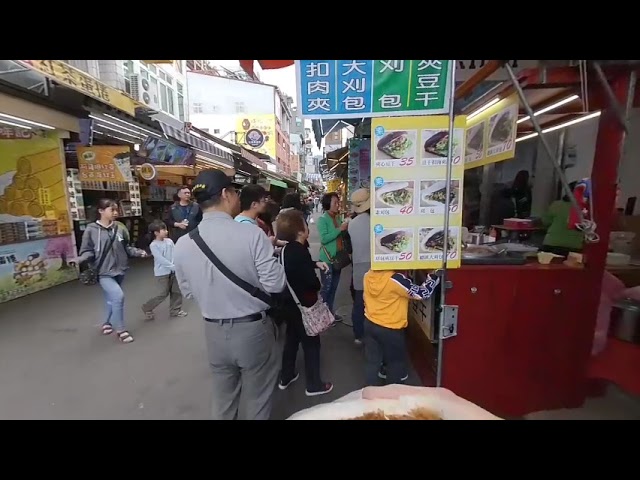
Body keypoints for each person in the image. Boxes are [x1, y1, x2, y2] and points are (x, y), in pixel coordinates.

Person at [173, 169, 286, 421]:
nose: (237, 197)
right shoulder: (251, 234)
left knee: (224, 401)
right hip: (253, 330)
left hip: (213, 332)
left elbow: (188, 292)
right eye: (235, 192)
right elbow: (276, 284)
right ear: (225, 194)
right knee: (258, 399)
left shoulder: (183, 243)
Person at [275, 209, 333, 396]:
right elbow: (312, 283)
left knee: (292, 339)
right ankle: (314, 385)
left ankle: (286, 375)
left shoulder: (287, 250)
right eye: (305, 224)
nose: (308, 226)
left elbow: (296, 267)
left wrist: (315, 263)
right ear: (300, 231)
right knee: (311, 343)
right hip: (303, 305)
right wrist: (318, 279)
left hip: (289, 304)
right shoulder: (299, 251)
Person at [78, 198, 148, 344]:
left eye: (117, 210)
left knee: (111, 300)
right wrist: (80, 259)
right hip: (103, 271)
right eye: (112, 210)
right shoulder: (91, 229)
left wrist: (138, 252)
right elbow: (87, 251)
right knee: (118, 296)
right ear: (101, 211)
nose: (116, 213)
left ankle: (106, 323)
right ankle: (121, 330)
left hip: (120, 269)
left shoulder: (120, 227)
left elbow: (126, 247)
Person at [363, 269, 440, 386]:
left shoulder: (368, 274)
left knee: (372, 362)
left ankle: (368, 395)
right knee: (395, 364)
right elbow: (422, 293)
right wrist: (434, 277)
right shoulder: (396, 279)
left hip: (370, 322)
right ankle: (392, 398)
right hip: (390, 329)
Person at [141, 220, 187, 320]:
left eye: (166, 229)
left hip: (174, 271)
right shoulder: (153, 245)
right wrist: (172, 266)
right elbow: (160, 259)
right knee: (162, 293)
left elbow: (175, 252)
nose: (166, 231)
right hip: (162, 273)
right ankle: (147, 307)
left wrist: (178, 265)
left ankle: (175, 310)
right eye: (163, 230)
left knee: (176, 291)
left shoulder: (169, 241)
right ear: (156, 233)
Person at [317, 192, 349, 317]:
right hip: (327, 259)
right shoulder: (322, 219)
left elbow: (341, 236)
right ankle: (322, 315)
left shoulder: (337, 218)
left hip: (338, 259)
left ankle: (330, 312)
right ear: (327, 204)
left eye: (338, 202)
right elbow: (324, 238)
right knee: (326, 288)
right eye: (335, 202)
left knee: (334, 288)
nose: (338, 205)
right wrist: (339, 229)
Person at [347, 188, 371, 345]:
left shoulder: (351, 224)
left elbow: (350, 249)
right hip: (374, 267)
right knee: (373, 302)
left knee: (358, 302)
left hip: (358, 266)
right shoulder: (377, 222)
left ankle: (358, 334)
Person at [541, 182, 584, 257]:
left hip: (552, 244)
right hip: (575, 247)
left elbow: (545, 221)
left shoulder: (557, 205)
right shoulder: (586, 209)